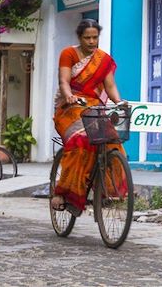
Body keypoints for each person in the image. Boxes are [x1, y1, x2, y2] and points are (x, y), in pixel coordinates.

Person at [51, 19, 124, 216]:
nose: (92, 41)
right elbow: (64, 81)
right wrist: (68, 95)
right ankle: (65, 192)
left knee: (112, 139)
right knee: (80, 140)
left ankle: (111, 189)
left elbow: (110, 86)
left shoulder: (103, 59)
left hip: (93, 106)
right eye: (87, 38)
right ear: (79, 37)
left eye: (95, 37)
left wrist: (118, 102)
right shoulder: (68, 53)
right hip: (69, 107)